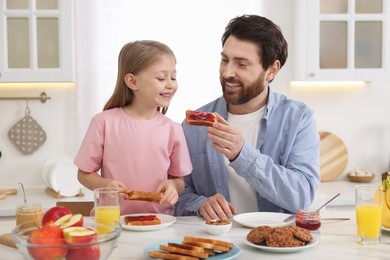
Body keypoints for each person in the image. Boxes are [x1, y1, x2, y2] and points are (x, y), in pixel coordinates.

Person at [175, 15, 320, 221]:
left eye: (242, 64)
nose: (227, 72)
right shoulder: (193, 125)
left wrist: (242, 154)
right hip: (218, 244)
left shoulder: (298, 119)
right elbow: (177, 192)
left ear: (271, 70)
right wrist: (200, 204)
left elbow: (301, 196)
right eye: (225, 60)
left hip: (274, 246)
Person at [74, 40, 193, 215]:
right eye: (161, 78)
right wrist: (106, 185)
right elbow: (84, 174)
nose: (170, 84)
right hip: (112, 221)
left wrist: (173, 186)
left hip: (160, 222)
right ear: (132, 81)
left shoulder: (173, 129)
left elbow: (179, 180)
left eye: (173, 77)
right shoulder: (103, 123)